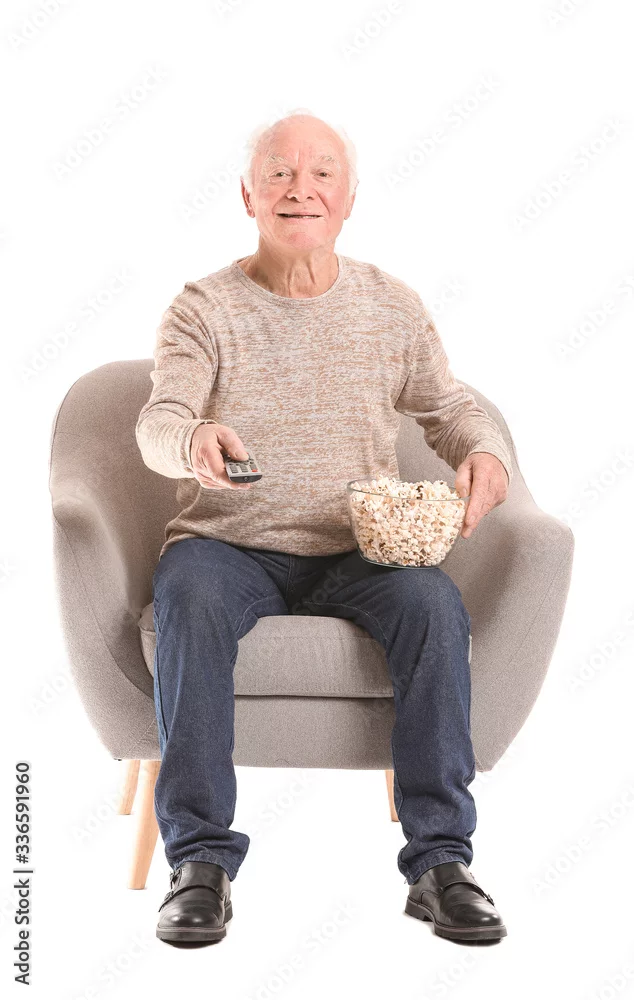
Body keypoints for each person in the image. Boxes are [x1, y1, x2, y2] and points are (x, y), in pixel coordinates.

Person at [135, 108, 512, 946]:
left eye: (320, 174)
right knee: (188, 598)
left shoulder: (391, 306)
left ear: (349, 198)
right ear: (247, 196)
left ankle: (441, 863)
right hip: (228, 546)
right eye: (278, 173)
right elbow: (160, 421)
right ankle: (199, 864)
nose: (299, 189)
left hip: (360, 550)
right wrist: (192, 440)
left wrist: (486, 451)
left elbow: (451, 410)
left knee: (434, 606)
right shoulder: (202, 308)